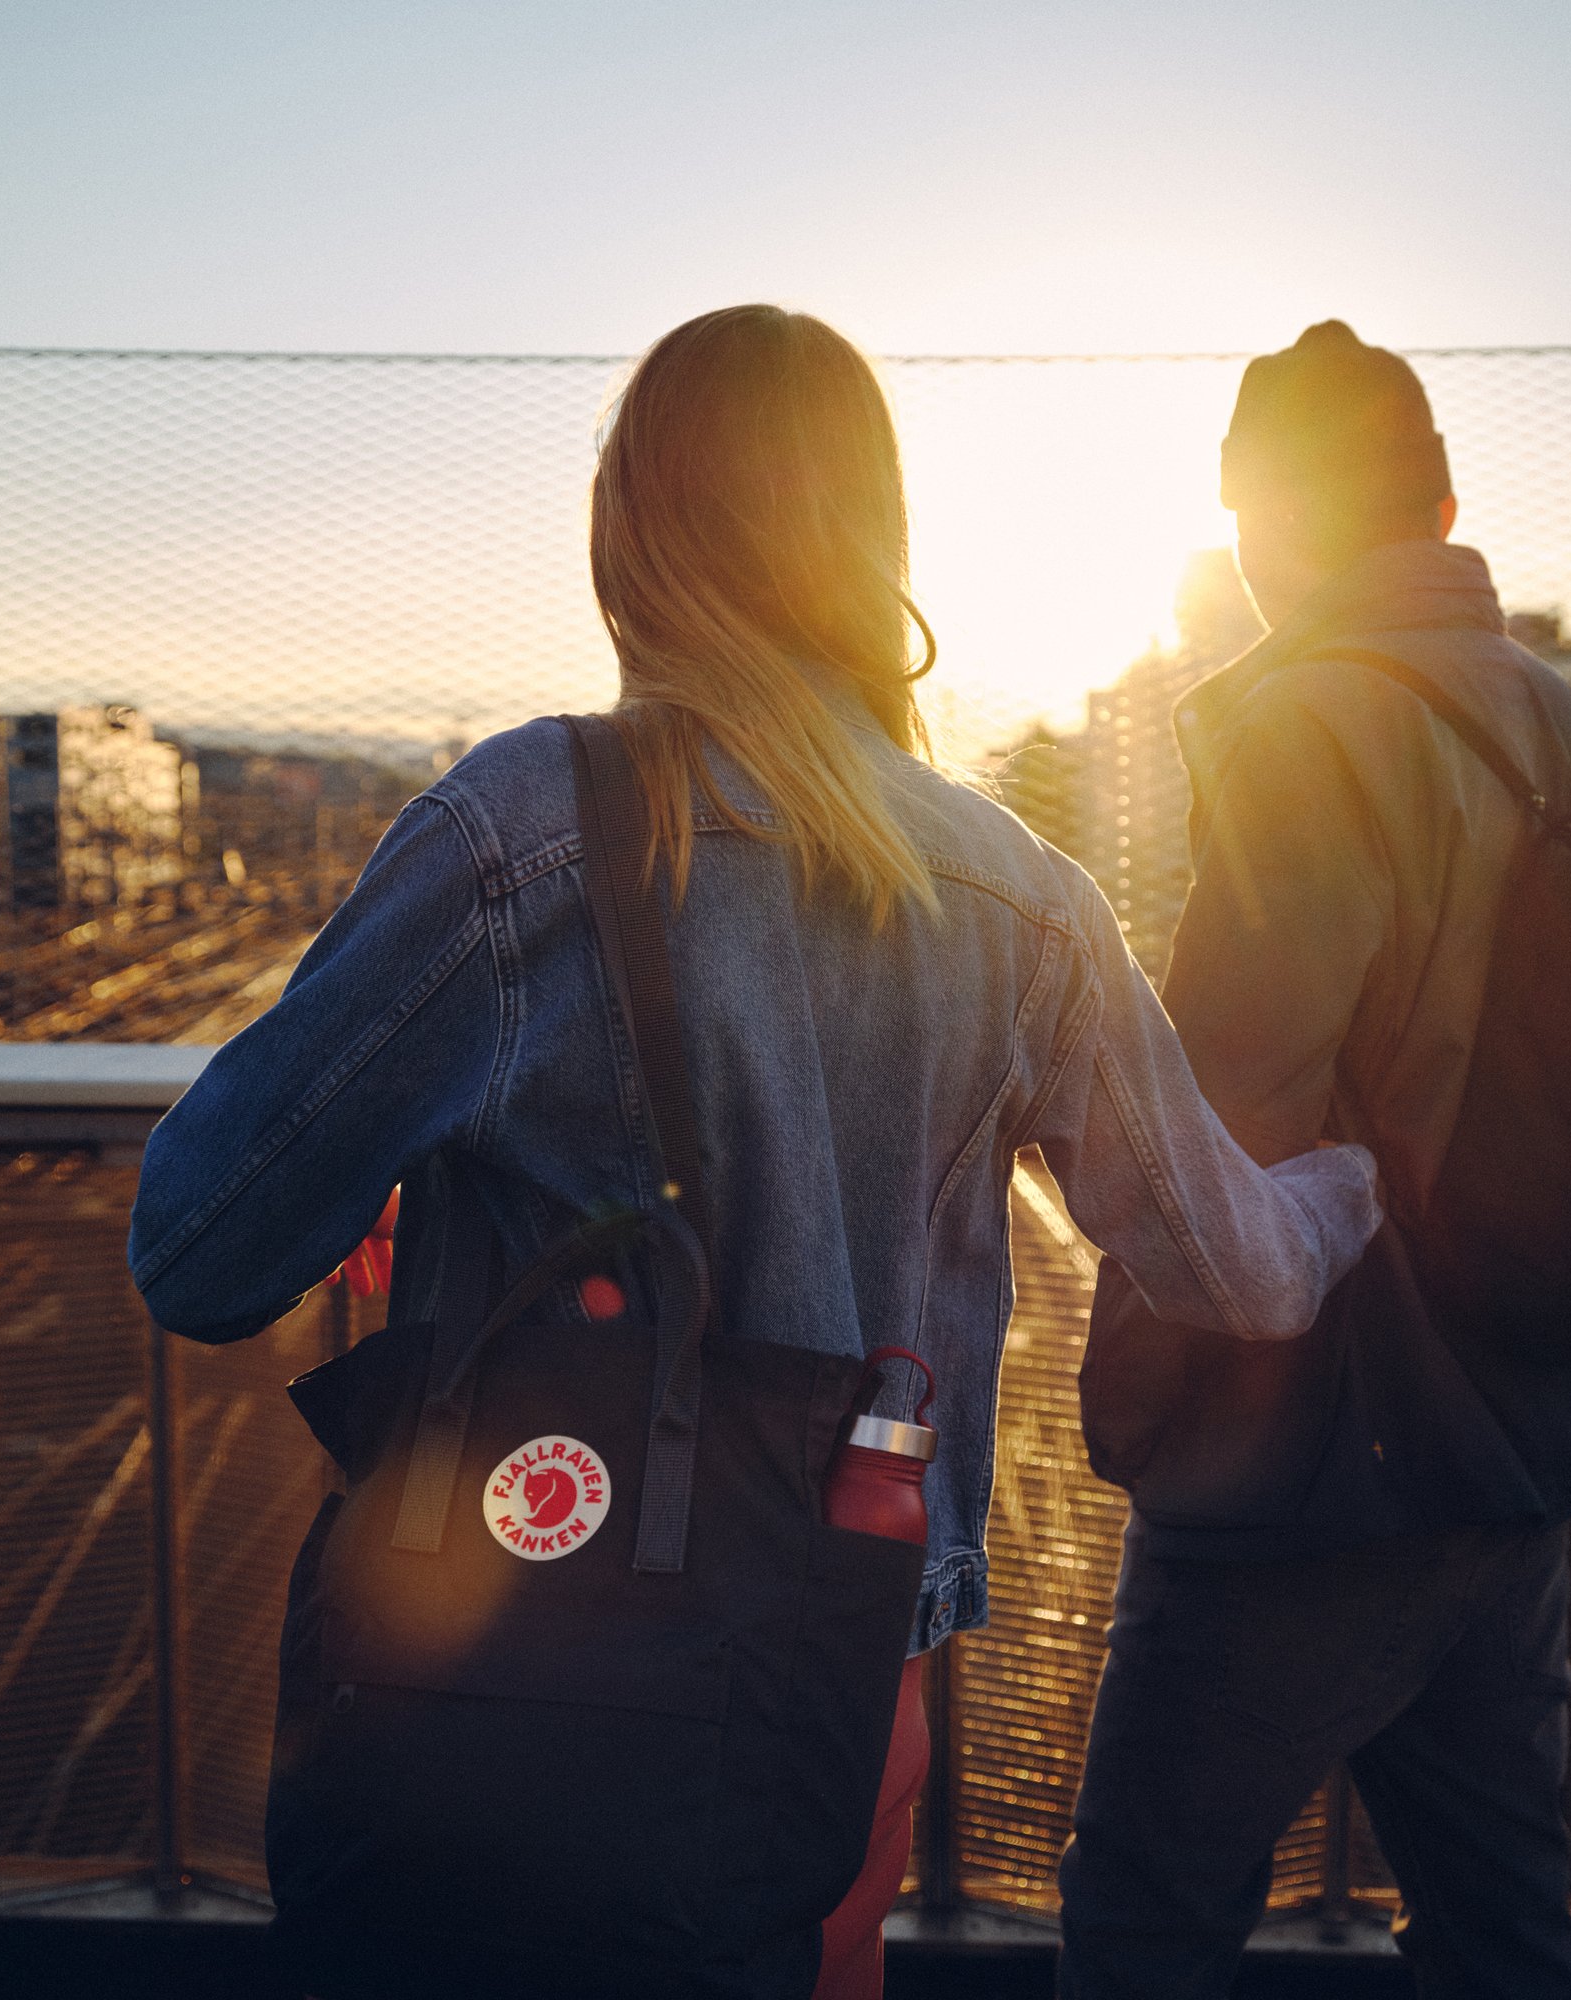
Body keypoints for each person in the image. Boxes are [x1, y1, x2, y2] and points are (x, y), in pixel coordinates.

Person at [125, 305, 1383, 1999]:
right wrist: (1369, 1174)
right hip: (836, 1675)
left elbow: (199, 1250)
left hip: (505, 1648)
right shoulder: (1022, 905)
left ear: (628, 535)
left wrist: (414, 1168)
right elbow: (1242, 1270)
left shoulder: (520, 834)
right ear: (879, 548)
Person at [1056, 321, 1571, 1999]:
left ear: (1261, 524)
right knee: (1503, 1924)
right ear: (1440, 500)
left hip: (1318, 1456)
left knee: (1144, 1913)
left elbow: (1214, 1133)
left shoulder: (1310, 733)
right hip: (1519, 1440)